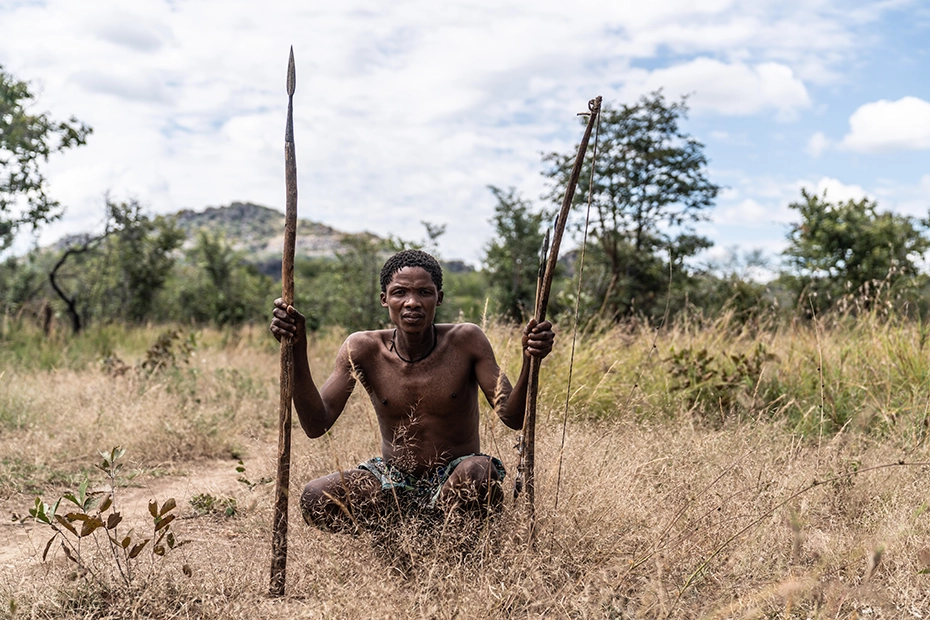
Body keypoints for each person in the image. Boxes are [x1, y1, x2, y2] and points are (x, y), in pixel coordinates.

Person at [270, 249, 554, 531]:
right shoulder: (363, 348)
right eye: (399, 292)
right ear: (384, 299)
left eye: (424, 293)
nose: (412, 302)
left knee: (478, 472)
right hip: (393, 483)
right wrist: (297, 347)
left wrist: (530, 359)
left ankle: (453, 538)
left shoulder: (466, 341)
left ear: (439, 298)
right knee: (315, 497)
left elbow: (513, 417)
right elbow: (316, 425)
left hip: (454, 478)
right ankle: (395, 534)